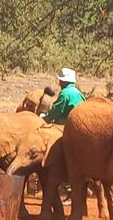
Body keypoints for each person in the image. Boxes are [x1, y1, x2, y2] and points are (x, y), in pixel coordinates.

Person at [42, 67, 85, 206]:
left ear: (63, 81)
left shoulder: (65, 94)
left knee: (61, 159)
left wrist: (45, 118)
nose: (59, 82)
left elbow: (57, 111)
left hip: (66, 129)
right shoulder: (78, 93)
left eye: (60, 80)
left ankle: (70, 191)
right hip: (80, 131)